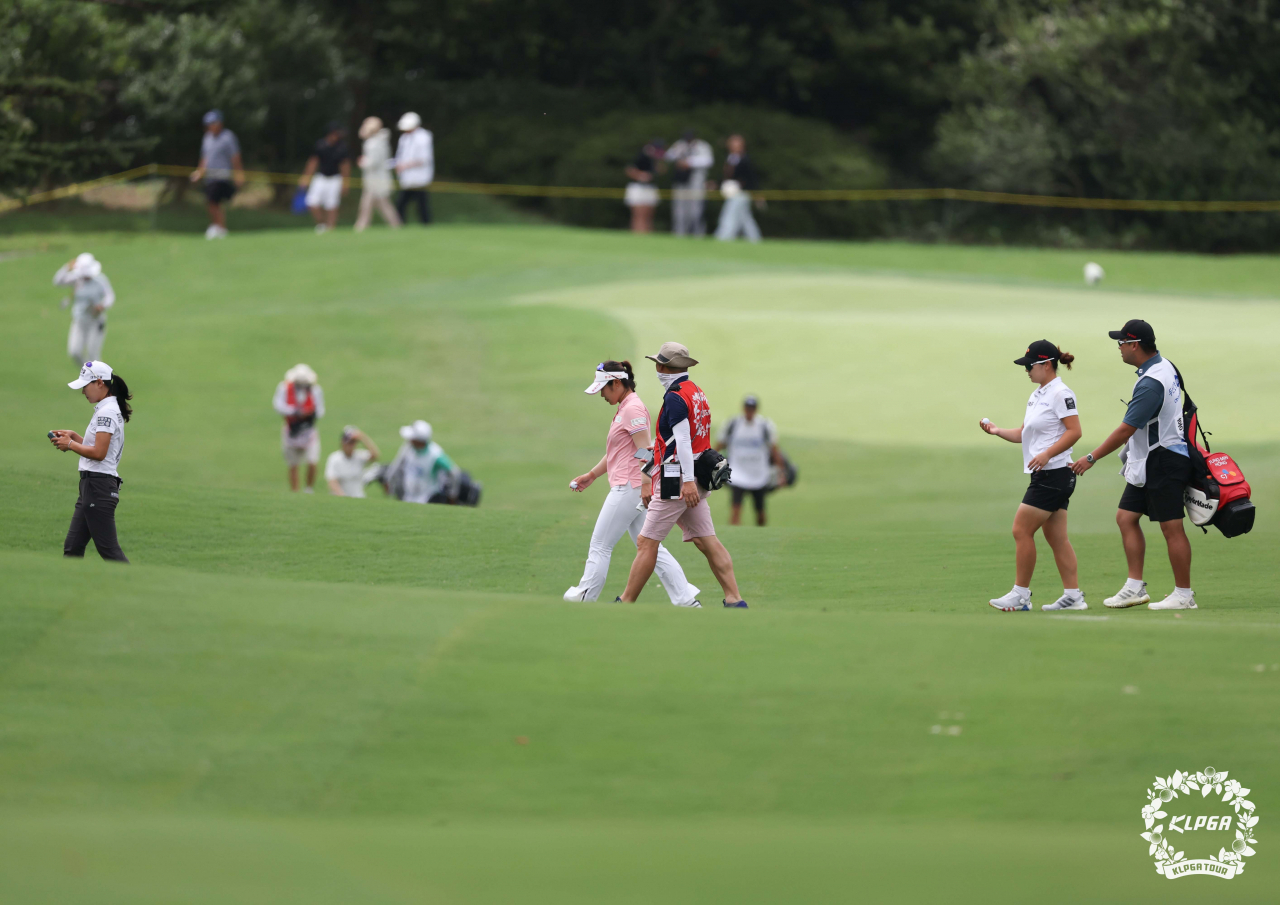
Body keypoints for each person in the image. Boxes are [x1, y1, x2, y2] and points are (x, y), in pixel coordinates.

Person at [1071, 319, 1197, 610]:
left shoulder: (1152, 382)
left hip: (1164, 459)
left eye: (1121, 343)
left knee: (1171, 528)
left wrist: (1091, 458)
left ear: (1134, 345)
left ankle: (1184, 594)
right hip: (1149, 459)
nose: (1119, 348)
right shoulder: (1164, 366)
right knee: (1126, 518)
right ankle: (1134, 587)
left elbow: (1126, 429)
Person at [618, 342, 748, 608]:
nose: (656, 368)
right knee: (706, 540)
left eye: (658, 364)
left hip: (677, 479)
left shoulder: (675, 397)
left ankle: (626, 603)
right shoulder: (696, 392)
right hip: (697, 477)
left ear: (664, 367)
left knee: (646, 541)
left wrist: (686, 481)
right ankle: (735, 600)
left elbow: (683, 442)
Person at [565, 361, 702, 606]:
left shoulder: (633, 409)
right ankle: (685, 599)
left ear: (617, 383)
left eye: (603, 389)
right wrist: (592, 475)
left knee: (600, 544)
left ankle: (585, 596)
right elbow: (618, 451)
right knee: (650, 546)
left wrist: (645, 484)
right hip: (632, 486)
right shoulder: (625, 407)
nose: (602, 396)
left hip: (629, 487)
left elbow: (646, 451)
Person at [980, 340, 1085, 611]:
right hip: (1047, 475)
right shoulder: (1038, 394)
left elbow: (1075, 431)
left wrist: (1048, 454)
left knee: (1020, 530)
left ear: (1046, 364)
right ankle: (1073, 597)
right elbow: (1024, 433)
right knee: (1056, 538)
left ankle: (1021, 594)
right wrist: (997, 431)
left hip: (1054, 474)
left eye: (1030, 365)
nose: (1026, 370)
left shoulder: (1061, 393)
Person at [49, 360, 132, 562]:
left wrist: (70, 445)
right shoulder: (107, 408)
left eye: (85, 386)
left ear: (99, 383)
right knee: (72, 549)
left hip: (99, 486)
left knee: (109, 551)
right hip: (93, 486)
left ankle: (136, 587)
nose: (83, 391)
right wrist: (74, 437)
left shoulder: (107, 412)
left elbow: (99, 453)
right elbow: (98, 447)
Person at [715, 395, 785, 526]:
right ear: (743, 408)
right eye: (747, 408)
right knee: (735, 510)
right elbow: (720, 445)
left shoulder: (765, 426)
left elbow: (774, 450)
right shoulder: (733, 424)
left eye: (752, 408)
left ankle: (760, 535)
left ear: (756, 409)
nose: (749, 411)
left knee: (760, 513)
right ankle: (734, 536)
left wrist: (781, 471)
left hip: (758, 474)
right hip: (737, 473)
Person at [189, 109, 244, 239]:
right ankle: (219, 227)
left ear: (220, 123)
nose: (211, 126)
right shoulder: (207, 138)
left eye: (213, 123)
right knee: (214, 203)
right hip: (209, 177)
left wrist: (239, 174)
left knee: (212, 201)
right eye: (209, 124)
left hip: (222, 176)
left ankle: (219, 227)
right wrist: (199, 172)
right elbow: (204, 158)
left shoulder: (228, 137)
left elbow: (235, 157)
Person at [272, 364, 325, 492]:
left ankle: (308, 489)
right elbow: (278, 405)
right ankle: (295, 492)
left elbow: (320, 411)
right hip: (292, 430)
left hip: (308, 431)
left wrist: (308, 413)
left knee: (312, 461)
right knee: (293, 464)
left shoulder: (315, 390)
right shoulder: (284, 388)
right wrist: (296, 412)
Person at [53, 253, 114, 363]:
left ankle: (98, 378)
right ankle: (89, 375)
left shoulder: (100, 280)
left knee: (93, 354)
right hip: (79, 320)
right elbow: (58, 281)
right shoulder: (76, 279)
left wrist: (103, 305)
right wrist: (67, 268)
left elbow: (110, 296)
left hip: (95, 321)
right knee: (74, 352)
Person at [384, 420, 462, 503]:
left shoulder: (435, 455)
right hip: (408, 496)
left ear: (419, 440)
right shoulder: (408, 447)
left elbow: (454, 472)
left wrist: (452, 495)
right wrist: (388, 480)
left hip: (428, 498)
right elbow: (397, 463)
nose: (409, 440)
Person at [299, 121, 351, 233]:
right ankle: (322, 224)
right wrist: (306, 177)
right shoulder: (320, 145)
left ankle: (331, 227)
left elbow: (345, 166)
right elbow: (313, 162)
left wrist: (345, 183)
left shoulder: (341, 147)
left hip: (335, 179)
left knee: (332, 205)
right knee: (312, 202)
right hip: (321, 177)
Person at [354, 116, 402, 232]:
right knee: (378, 205)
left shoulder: (373, 143)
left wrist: (362, 162)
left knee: (370, 205)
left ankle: (361, 227)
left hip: (376, 180)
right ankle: (396, 226)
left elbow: (373, 163)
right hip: (377, 179)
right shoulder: (380, 141)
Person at [664, 130, 714, 236]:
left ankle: (697, 234)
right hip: (681, 181)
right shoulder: (679, 144)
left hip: (696, 181)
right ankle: (679, 233)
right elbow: (668, 156)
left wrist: (689, 162)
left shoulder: (702, 146)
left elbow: (709, 160)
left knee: (696, 211)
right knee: (679, 210)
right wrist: (678, 153)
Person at [714, 134, 762, 242]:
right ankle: (755, 240)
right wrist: (717, 184)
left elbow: (752, 178)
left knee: (729, 216)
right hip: (732, 193)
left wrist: (757, 194)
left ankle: (723, 238)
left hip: (741, 193)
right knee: (745, 219)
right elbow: (726, 176)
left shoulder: (745, 160)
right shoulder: (730, 159)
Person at [394, 112, 434, 225]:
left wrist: (405, 165)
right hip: (407, 178)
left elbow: (424, 159)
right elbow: (400, 155)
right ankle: (401, 223)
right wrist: (398, 164)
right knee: (403, 203)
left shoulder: (424, 137)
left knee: (420, 204)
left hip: (420, 177)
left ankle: (426, 224)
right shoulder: (404, 138)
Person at [325, 426, 381, 497]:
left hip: (358, 497)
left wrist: (362, 438)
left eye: (353, 442)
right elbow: (332, 482)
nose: (351, 445)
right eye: (349, 443)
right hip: (340, 498)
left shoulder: (359, 456)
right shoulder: (334, 458)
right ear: (343, 443)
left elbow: (375, 455)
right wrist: (343, 496)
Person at [624, 139, 665, 233]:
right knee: (638, 214)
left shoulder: (656, 158)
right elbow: (629, 169)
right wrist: (641, 176)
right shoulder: (641, 155)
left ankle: (647, 235)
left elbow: (661, 171)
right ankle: (638, 234)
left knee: (649, 214)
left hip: (650, 187)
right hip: (638, 187)